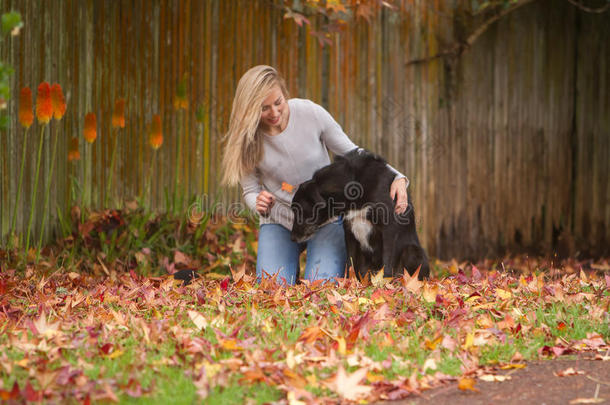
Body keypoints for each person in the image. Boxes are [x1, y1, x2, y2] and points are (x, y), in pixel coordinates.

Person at [221, 65, 409, 285]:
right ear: (250, 110)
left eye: (278, 102)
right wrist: (257, 202)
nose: (274, 113)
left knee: (320, 288)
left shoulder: (310, 113)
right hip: (279, 220)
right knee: (272, 289)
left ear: (284, 93)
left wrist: (396, 177)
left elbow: (353, 153)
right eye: (264, 108)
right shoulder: (247, 140)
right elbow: (251, 191)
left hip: (325, 219)